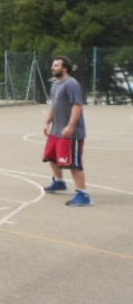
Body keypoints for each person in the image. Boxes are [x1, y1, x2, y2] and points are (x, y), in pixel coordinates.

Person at [42, 56, 92, 206]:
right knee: (51, 157)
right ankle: (60, 182)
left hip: (71, 133)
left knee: (74, 164)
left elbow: (77, 106)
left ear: (65, 68)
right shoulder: (55, 85)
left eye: (56, 65)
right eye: (53, 65)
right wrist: (47, 122)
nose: (53, 68)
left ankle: (84, 195)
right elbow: (54, 106)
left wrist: (70, 126)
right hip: (56, 131)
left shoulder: (72, 84)